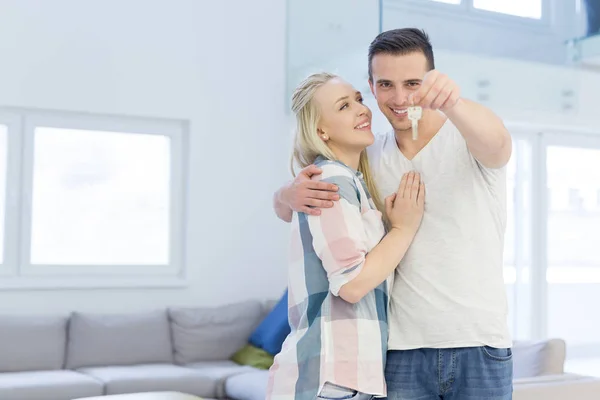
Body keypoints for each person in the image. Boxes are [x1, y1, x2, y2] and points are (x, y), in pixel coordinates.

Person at [273, 28, 514, 400]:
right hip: (399, 350)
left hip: (478, 343)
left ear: (433, 81)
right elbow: (302, 210)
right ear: (371, 86)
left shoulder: (467, 136)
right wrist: (286, 195)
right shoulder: (365, 157)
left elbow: (499, 146)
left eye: (413, 83)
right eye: (386, 84)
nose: (400, 98)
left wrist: (453, 102)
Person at [266, 72, 425, 400]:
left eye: (358, 100)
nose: (361, 109)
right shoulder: (332, 181)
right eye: (344, 106)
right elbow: (351, 284)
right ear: (320, 130)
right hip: (330, 381)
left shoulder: (351, 182)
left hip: (339, 381)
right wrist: (403, 229)